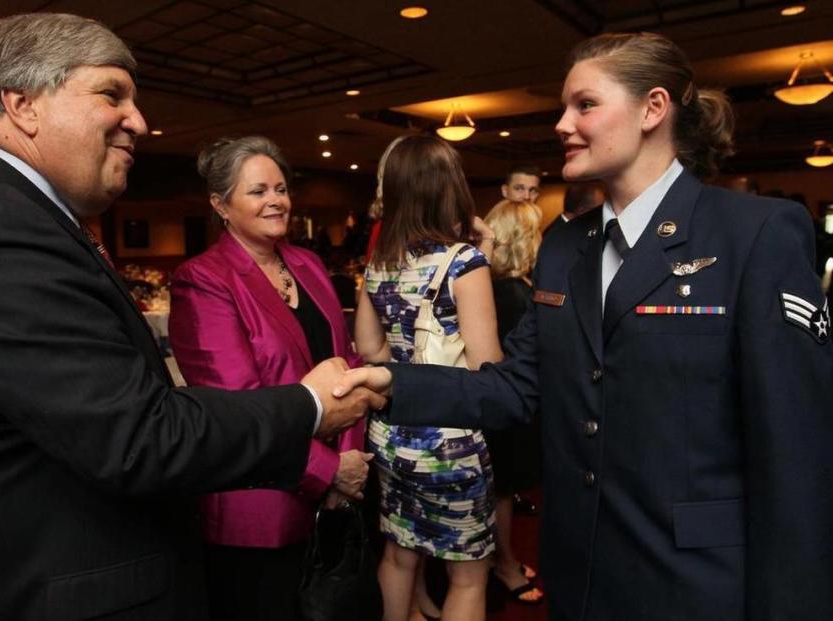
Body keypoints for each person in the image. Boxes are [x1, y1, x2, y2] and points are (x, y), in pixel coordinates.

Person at [0, 14, 381, 620]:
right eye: (111, 93)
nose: (138, 121)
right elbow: (138, 437)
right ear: (21, 105)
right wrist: (311, 405)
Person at [338, 32, 833, 621]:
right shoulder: (566, 246)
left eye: (585, 105)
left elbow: (797, 455)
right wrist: (390, 383)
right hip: (580, 570)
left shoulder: (753, 233)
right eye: (563, 108)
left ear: (654, 109)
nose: (561, 124)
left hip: (698, 580)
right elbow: (517, 385)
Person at [168, 136, 372, 621]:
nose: (276, 200)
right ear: (221, 204)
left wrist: (349, 463)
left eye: (280, 188)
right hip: (259, 505)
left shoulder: (307, 263)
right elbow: (238, 409)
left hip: (339, 494)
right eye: (258, 191)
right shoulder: (204, 279)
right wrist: (327, 472)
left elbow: (346, 363)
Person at [355, 135, 500, 621]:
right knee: (468, 574)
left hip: (392, 434)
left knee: (398, 555)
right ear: (449, 189)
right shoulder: (464, 262)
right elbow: (487, 370)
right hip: (449, 441)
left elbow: (370, 350)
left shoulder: (379, 263)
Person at [480, 199, 545, 605]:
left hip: (501, 402)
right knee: (501, 490)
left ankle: (498, 561)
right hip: (506, 406)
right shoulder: (511, 293)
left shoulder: (503, 285)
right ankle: (503, 565)